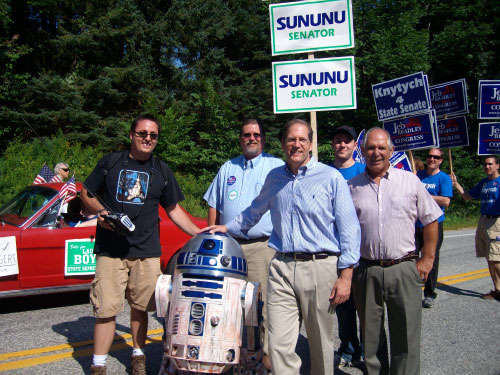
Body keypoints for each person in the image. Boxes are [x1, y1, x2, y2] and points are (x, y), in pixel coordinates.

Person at [201, 119, 361, 375]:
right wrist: (226, 227)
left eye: (302, 140)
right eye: (291, 140)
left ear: (310, 144)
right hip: (281, 267)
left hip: (319, 267)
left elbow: (349, 229)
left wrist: (346, 275)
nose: (296, 145)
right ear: (283, 143)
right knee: (278, 343)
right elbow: (254, 210)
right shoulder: (274, 178)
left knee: (320, 344)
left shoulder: (331, 177)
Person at [81, 114, 200, 375]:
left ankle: (138, 357)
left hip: (146, 251)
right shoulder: (111, 162)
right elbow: (86, 193)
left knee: (141, 308)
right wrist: (102, 213)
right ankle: (98, 365)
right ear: (132, 135)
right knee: (106, 309)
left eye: (153, 135)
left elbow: (174, 209)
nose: (148, 138)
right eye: (143, 133)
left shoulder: (161, 170)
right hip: (111, 251)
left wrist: (200, 232)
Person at [348, 127, 442, 374]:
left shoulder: (410, 181)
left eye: (381, 147)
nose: (375, 153)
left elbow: (431, 219)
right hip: (365, 270)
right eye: (370, 147)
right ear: (362, 151)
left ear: (391, 151)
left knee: (406, 337)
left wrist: (428, 258)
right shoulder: (351, 187)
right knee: (370, 338)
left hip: (403, 268)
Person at [203, 118, 284, 369]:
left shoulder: (276, 166)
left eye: (256, 135)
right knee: (231, 303)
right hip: (230, 248)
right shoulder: (228, 168)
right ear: (240, 138)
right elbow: (214, 204)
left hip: (263, 247)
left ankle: (267, 356)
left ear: (263, 138)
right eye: (247, 134)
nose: (252, 138)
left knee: (264, 304)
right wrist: (213, 239)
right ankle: (236, 353)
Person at [330, 125, 364, 368]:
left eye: (347, 141)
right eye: (338, 141)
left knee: (368, 307)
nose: (342, 145)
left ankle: (370, 352)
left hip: (366, 249)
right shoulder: (324, 173)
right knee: (343, 305)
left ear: (355, 145)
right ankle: (349, 349)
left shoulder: (365, 171)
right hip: (336, 250)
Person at [451, 156, 500, 301]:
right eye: (485, 164)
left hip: (496, 221)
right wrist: (456, 183)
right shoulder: (483, 183)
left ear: (497, 166)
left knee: (496, 258)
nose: (487, 167)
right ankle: (497, 290)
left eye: (490, 164)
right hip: (483, 220)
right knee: (489, 258)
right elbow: (467, 196)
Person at [416, 148, 453, 308]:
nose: (432, 159)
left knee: (431, 258)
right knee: (410, 258)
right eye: (429, 156)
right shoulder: (418, 175)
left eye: (436, 157)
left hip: (434, 224)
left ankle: (429, 294)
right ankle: (412, 291)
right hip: (416, 223)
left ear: (441, 160)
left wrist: (424, 197)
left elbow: (445, 201)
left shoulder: (443, 178)